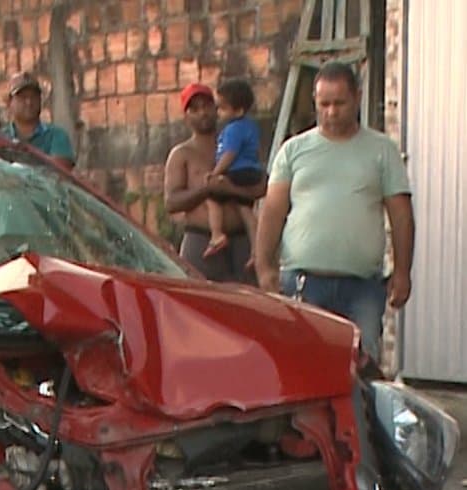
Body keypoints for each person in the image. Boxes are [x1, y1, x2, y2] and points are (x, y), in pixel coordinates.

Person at [255, 61, 413, 364]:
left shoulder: (382, 151)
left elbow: (401, 214)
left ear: (357, 97)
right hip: (302, 285)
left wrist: (403, 271)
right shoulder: (293, 151)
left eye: (339, 103)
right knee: (301, 368)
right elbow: (272, 212)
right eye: (323, 104)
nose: (330, 112)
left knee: (360, 369)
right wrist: (264, 268)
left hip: (362, 289)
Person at [164, 82, 265, 282]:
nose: (202, 113)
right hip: (202, 241)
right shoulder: (181, 154)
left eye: (207, 106)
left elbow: (261, 186)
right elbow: (172, 202)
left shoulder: (236, 142)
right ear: (186, 116)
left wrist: (231, 189)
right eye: (195, 109)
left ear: (218, 108)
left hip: (241, 241)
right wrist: (206, 190)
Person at [203, 78, 264, 261]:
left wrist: (216, 173)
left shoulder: (233, 129)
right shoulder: (250, 126)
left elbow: (229, 154)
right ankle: (256, 250)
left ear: (238, 111)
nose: (218, 112)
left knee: (211, 195)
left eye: (222, 108)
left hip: (237, 171)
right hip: (250, 171)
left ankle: (216, 234)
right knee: (246, 211)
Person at [4, 71, 75, 169]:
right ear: (9, 102)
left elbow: (61, 171)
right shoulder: (0, 138)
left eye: (33, 96)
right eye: (22, 97)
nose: (29, 102)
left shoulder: (57, 136)